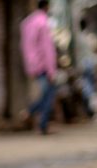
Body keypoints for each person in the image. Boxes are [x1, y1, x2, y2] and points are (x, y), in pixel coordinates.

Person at [21, 0, 60, 135]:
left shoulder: (27, 22)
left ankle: (33, 115)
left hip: (33, 65)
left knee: (45, 94)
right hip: (43, 65)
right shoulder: (43, 23)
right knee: (48, 95)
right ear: (47, 7)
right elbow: (47, 48)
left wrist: (30, 65)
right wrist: (52, 70)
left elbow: (26, 46)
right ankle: (37, 119)